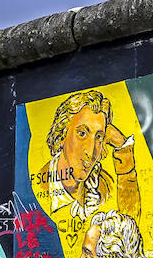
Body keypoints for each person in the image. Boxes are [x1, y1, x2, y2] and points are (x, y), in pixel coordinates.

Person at [39, 89, 140, 222]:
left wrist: (123, 148)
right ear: (62, 135)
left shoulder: (105, 186)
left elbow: (130, 232)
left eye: (99, 137)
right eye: (82, 134)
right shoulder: (39, 184)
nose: (91, 152)